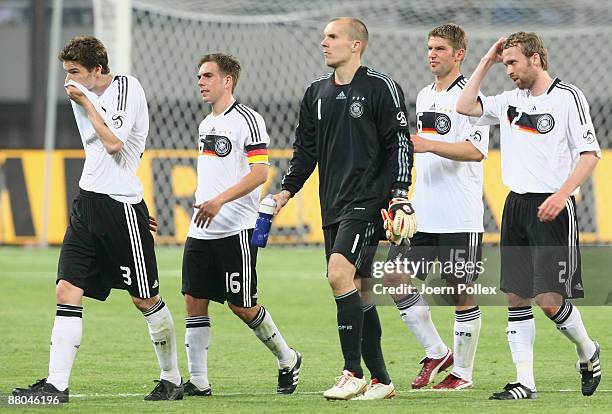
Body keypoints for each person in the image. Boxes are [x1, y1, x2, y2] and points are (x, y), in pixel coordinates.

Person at [12, 36, 183, 401]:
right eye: (66, 73)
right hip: (87, 203)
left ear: (98, 70)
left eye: (74, 72)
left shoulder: (126, 88)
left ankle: (172, 378)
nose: (67, 81)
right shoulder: (81, 94)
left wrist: (87, 100)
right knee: (66, 289)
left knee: (145, 298)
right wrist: (84, 97)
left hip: (120, 207)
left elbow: (114, 144)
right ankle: (56, 385)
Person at [273, 17, 416, 400]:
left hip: (368, 202)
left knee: (338, 275)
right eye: (323, 37)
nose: (324, 43)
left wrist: (399, 192)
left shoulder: (380, 87)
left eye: (332, 37)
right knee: (360, 290)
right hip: (332, 204)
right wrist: (286, 190)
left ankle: (352, 372)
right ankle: (383, 380)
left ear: (356, 45)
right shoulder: (314, 93)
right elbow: (305, 152)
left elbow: (400, 143)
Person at [456, 31, 601, 400]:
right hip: (516, 206)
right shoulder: (509, 101)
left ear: (535, 59)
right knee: (517, 296)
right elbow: (464, 105)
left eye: (512, 62)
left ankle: (587, 349)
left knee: (549, 300)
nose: (508, 70)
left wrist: (562, 194)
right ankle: (525, 382)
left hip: (553, 208)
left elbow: (589, 153)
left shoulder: (568, 98)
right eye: (504, 64)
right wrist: (486, 61)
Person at [181, 53, 301, 397]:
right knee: (193, 298)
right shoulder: (206, 124)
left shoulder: (248, 120)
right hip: (201, 227)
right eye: (199, 76)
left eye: (207, 76)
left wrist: (220, 201)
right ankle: (199, 381)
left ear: (227, 80)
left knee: (242, 305)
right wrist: (207, 200)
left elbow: (260, 174)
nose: (201, 82)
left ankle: (287, 357)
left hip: (236, 228)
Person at [390, 23, 489, 391]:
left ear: (459, 54)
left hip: (459, 213)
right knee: (394, 278)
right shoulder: (423, 95)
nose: (432, 54)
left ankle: (463, 374)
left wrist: (429, 144)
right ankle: (436, 352)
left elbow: (475, 150)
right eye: (429, 47)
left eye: (440, 49)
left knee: (459, 289)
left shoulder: (471, 97)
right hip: (423, 211)